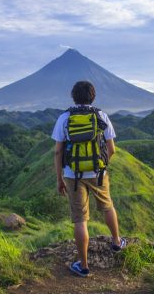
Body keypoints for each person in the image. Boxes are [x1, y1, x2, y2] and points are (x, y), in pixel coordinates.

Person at [51, 80, 126, 277]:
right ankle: (117, 242)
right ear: (93, 96)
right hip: (98, 173)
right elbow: (112, 149)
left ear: (73, 97)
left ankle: (83, 266)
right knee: (107, 206)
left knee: (80, 219)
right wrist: (100, 165)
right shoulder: (101, 115)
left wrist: (59, 179)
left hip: (72, 174)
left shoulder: (64, 117)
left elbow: (58, 152)